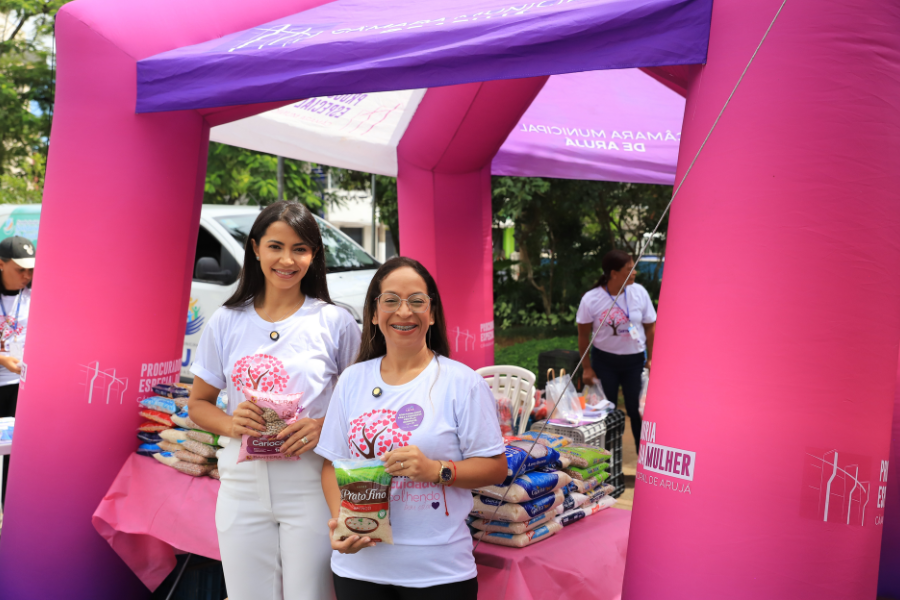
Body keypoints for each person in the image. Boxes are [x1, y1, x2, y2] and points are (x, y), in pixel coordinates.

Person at [186, 201, 361, 600]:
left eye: (300, 248)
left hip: (311, 481)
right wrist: (232, 424)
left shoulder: (334, 322)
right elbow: (199, 404)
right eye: (275, 246)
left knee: (311, 595)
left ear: (314, 255)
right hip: (241, 483)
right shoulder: (226, 320)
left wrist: (322, 427)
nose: (287, 259)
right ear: (255, 249)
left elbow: (358, 405)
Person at [316, 257, 506, 600]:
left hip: (438, 573)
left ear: (432, 313)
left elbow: (495, 467)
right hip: (359, 570)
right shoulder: (352, 380)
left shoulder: (462, 382)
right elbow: (331, 464)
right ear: (374, 313)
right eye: (391, 301)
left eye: (416, 301)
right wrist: (342, 522)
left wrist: (436, 470)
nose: (404, 312)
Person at [577, 249, 656, 451]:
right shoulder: (591, 299)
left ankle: (643, 458)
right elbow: (583, 336)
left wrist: (651, 358)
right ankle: (608, 460)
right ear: (614, 273)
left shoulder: (639, 293)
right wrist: (586, 368)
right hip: (605, 363)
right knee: (605, 413)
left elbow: (650, 327)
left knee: (638, 411)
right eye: (629, 269)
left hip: (635, 362)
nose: (635, 272)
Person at [0, 236, 35, 505]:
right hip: (3, 374)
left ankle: (8, 509)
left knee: (17, 451)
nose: (27, 275)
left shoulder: (37, 292)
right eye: (20, 269)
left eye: (31, 269)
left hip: (21, 385)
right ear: (1, 264)